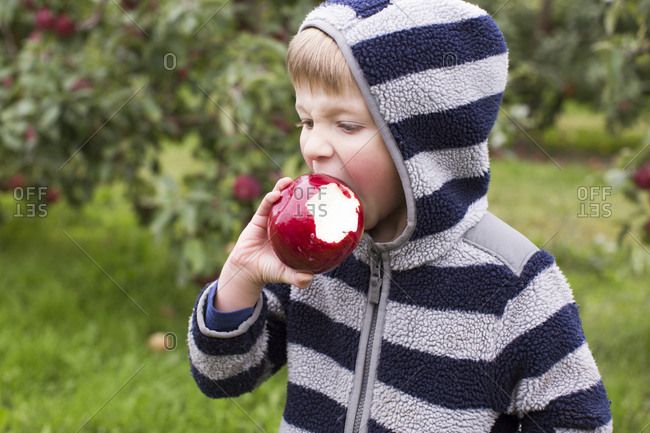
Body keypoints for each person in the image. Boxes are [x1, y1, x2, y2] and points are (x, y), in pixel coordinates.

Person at [188, 0, 613, 431]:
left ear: (423, 147)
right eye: (307, 121)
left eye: (347, 125)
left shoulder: (512, 285)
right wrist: (241, 276)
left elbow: (580, 420)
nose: (314, 147)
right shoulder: (312, 261)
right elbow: (221, 376)